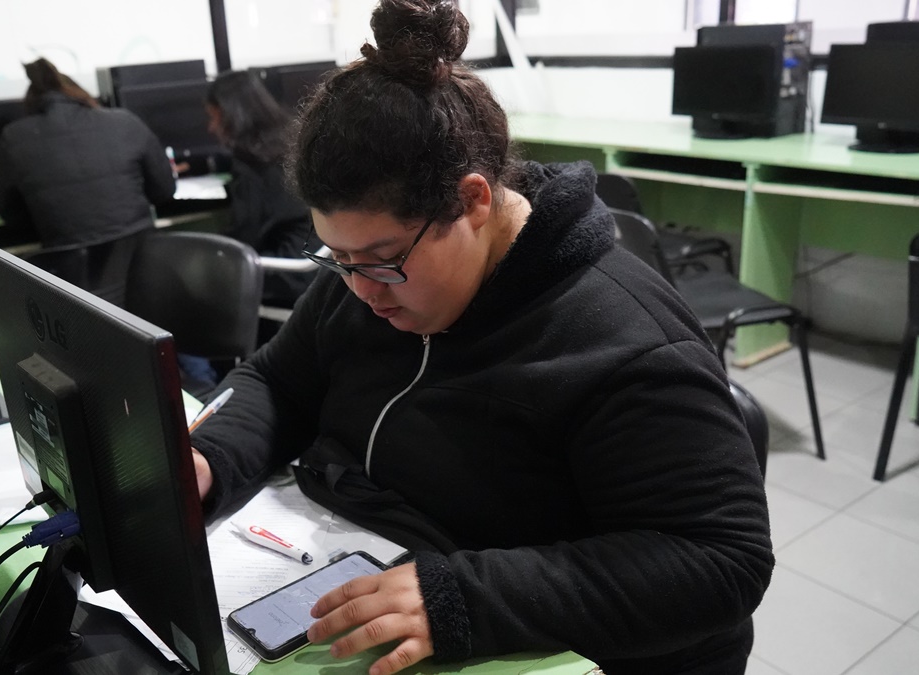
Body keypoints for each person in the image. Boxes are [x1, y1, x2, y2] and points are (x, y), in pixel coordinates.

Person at [188, 1, 773, 674]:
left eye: (381, 260)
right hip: (366, 553)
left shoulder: (625, 341)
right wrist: (208, 460)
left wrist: (460, 598)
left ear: (472, 201)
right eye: (338, 258)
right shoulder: (366, 275)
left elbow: (721, 560)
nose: (361, 290)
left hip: (549, 641)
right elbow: (278, 379)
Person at [0, 58, 176, 248]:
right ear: (81, 94)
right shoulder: (125, 122)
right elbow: (164, 191)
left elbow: (10, 213)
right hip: (140, 253)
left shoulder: (13, 138)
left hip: (65, 262)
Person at [204, 69, 315, 309]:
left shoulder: (251, 164)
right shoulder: (293, 140)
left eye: (215, 118)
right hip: (318, 265)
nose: (211, 127)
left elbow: (244, 236)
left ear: (232, 116)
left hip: (287, 273)